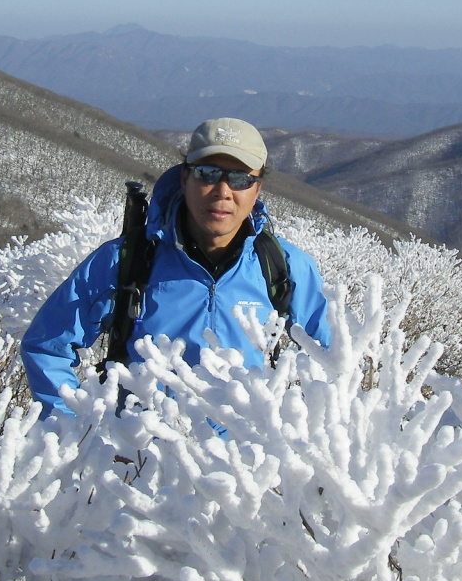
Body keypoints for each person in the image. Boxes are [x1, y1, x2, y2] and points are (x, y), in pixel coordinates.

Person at [21, 117, 332, 417]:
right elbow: (47, 347)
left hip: (245, 461)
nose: (222, 191)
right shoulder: (125, 261)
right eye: (208, 173)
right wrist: (78, 431)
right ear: (185, 178)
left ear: (256, 190)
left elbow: (335, 358)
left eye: (240, 178)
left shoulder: (283, 266)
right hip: (144, 459)